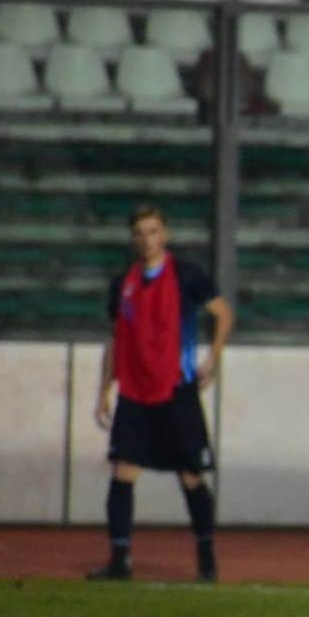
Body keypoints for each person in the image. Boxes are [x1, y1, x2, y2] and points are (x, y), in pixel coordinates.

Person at [88, 204, 234, 583]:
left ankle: (206, 557)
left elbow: (224, 314)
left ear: (164, 234)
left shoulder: (187, 275)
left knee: (191, 475)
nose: (147, 239)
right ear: (133, 239)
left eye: (153, 231)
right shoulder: (123, 283)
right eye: (140, 233)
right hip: (135, 391)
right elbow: (117, 337)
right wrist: (105, 388)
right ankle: (119, 560)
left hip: (176, 389)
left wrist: (212, 358)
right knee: (122, 471)